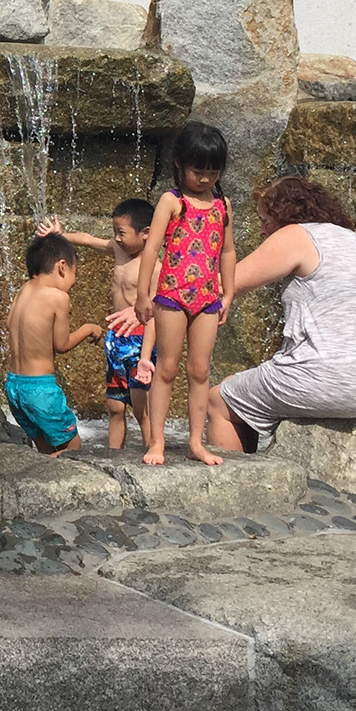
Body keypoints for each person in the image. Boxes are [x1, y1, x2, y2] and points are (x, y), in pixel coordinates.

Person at [196, 176, 356, 454]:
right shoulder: (351, 240)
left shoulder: (294, 236)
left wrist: (153, 307)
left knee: (219, 401)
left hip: (332, 379)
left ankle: (232, 487)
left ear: (284, 213)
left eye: (265, 219)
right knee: (237, 387)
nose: (262, 230)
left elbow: (223, 286)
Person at [132, 122, 237, 467]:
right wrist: (144, 294)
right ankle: (157, 440)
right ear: (179, 164)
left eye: (212, 171)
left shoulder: (222, 205)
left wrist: (229, 293)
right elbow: (151, 249)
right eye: (198, 170)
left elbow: (227, 252)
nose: (205, 178)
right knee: (166, 367)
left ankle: (196, 441)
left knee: (200, 370)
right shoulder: (171, 201)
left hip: (207, 298)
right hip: (172, 296)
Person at [36, 197, 158, 450]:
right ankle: (114, 455)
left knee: (140, 408)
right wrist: (61, 235)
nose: (117, 238)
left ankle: (152, 450)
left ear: (146, 233)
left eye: (122, 233)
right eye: (115, 233)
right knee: (115, 406)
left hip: (140, 340)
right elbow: (91, 240)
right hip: (116, 339)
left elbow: (160, 305)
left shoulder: (154, 266)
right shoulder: (119, 250)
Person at [3, 230, 102, 455]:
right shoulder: (58, 297)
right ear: (62, 266)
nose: (73, 283)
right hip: (40, 389)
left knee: (46, 452)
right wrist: (88, 329)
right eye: (74, 275)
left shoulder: (23, 290)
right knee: (74, 450)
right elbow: (61, 344)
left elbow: (11, 324)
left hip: (14, 386)